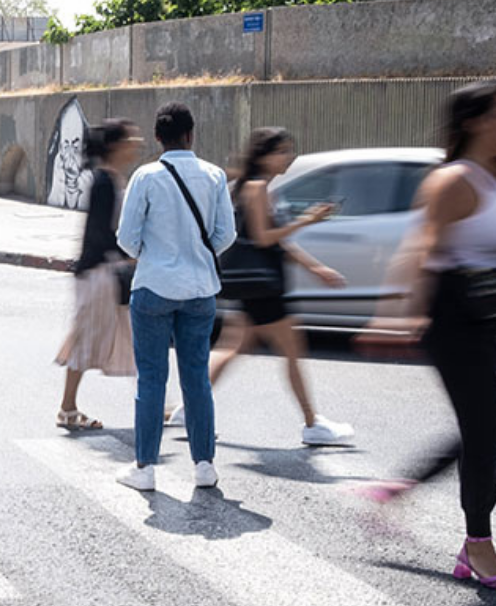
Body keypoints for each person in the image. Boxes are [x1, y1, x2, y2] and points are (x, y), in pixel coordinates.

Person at [377, 80, 496, 586]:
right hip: (454, 319)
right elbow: (419, 248)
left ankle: (400, 491)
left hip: (489, 315)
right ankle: (476, 544)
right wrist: (402, 315)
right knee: (484, 432)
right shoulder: (453, 180)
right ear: (473, 120)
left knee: (487, 430)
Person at [166, 128, 354, 445]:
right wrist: (307, 221)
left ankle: (188, 409)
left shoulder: (258, 188)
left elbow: (275, 244)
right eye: (282, 150)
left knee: (231, 349)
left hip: (259, 285)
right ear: (263, 155)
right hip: (264, 288)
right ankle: (312, 423)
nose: (288, 157)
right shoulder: (256, 189)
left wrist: (316, 268)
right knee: (292, 351)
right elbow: (265, 238)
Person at [115, 102, 236, 491]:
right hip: (201, 290)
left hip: (153, 286)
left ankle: (145, 468)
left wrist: (152, 254)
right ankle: (204, 465)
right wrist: (198, 255)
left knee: (151, 378)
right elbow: (225, 235)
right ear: (191, 134)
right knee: (196, 377)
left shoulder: (146, 176)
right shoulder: (214, 175)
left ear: (157, 137)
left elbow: (126, 238)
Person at [54, 119, 143, 430]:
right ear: (115, 145)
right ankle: (67, 408)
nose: (137, 142)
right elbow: (99, 233)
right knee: (87, 340)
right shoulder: (105, 181)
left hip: (103, 273)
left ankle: (150, 401)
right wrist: (129, 256)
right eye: (131, 138)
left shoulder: (110, 178)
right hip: (97, 275)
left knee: (129, 337)